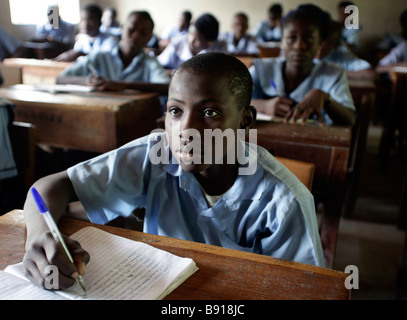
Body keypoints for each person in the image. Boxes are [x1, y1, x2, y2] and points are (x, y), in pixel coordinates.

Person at [22, 52, 324, 290]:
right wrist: (40, 234)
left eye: (210, 113)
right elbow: (48, 187)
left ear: (245, 121)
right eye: (175, 111)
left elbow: (307, 288)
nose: (186, 130)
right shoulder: (155, 154)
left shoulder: (283, 202)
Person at [250, 4, 356, 127]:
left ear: (320, 44)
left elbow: (350, 120)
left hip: (313, 142)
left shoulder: (333, 73)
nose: (299, 46)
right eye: (292, 38)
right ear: (282, 42)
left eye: (308, 39)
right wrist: (264, 105)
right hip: (261, 141)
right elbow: (229, 102)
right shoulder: (262, 69)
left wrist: (325, 99)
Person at [57, 11, 169, 94]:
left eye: (143, 33)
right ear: (122, 28)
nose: (136, 35)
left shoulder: (149, 62)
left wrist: (123, 85)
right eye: (132, 29)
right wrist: (87, 80)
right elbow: (61, 78)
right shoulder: (100, 56)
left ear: (149, 38)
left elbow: (166, 86)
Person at [158, 13, 227, 70]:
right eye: (190, 34)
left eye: (197, 39)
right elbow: (159, 65)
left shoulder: (219, 47)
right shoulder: (177, 42)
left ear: (209, 42)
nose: (191, 41)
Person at [54, 4, 118, 62]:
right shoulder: (80, 41)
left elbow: (107, 62)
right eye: (82, 20)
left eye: (90, 20)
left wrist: (81, 54)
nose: (85, 24)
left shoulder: (110, 41)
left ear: (99, 22)